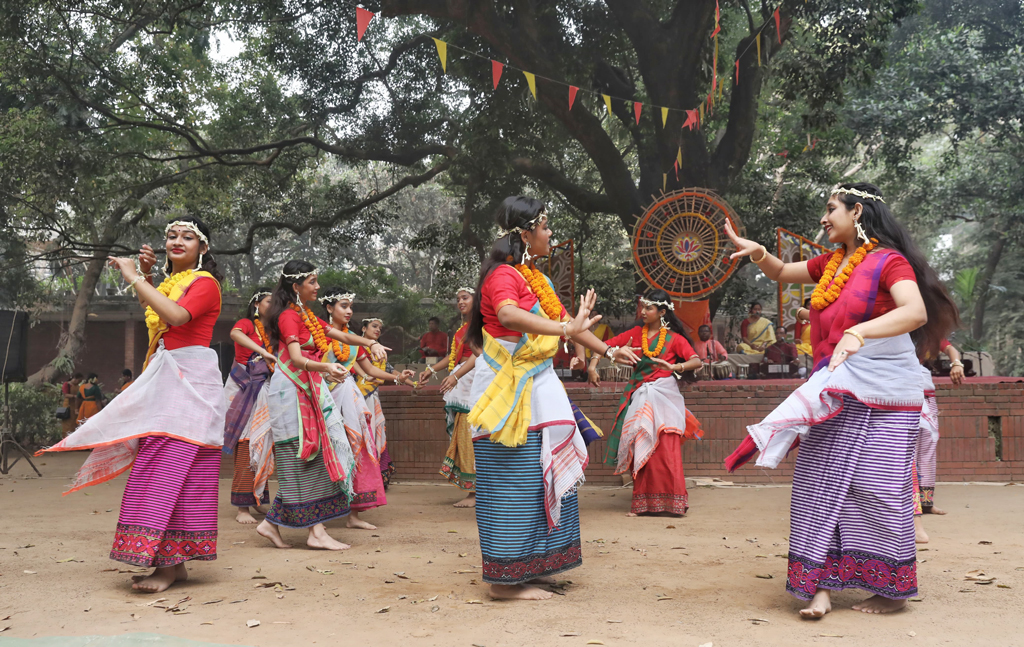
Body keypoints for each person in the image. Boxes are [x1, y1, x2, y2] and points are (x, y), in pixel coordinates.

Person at [723, 182, 959, 617]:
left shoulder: (889, 262)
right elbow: (780, 272)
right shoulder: (831, 264)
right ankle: (820, 586)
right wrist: (757, 251)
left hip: (888, 395)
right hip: (837, 387)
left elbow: (915, 313)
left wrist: (858, 332)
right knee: (818, 484)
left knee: (877, 489)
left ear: (857, 213)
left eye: (831, 209)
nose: (823, 218)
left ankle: (892, 590)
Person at [465, 196, 639, 601]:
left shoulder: (530, 276)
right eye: (545, 227)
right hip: (507, 391)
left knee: (535, 479)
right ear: (525, 233)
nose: (550, 234)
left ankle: (530, 568)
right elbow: (509, 316)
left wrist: (608, 352)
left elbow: (569, 326)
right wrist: (563, 329)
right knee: (513, 483)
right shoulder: (503, 275)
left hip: (535, 388)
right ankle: (503, 583)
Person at [41, 216, 227, 593]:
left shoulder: (205, 283)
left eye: (187, 237)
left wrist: (134, 276)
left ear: (202, 248)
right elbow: (159, 307)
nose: (177, 241)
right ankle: (173, 562)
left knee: (168, 469)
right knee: (162, 467)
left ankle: (169, 564)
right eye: (171, 235)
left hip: (189, 381)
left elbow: (175, 317)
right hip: (170, 377)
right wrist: (147, 274)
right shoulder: (173, 283)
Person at [255, 261, 392, 552]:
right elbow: (294, 357)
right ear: (296, 287)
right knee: (305, 454)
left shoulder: (305, 315)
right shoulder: (289, 317)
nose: (318, 287)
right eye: (313, 282)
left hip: (307, 388)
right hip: (292, 390)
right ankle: (315, 532)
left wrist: (370, 344)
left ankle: (272, 523)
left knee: (311, 455)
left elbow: (341, 336)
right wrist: (326, 366)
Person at [591, 290, 703, 517]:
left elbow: (696, 361)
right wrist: (593, 365)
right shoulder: (634, 334)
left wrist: (675, 368)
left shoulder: (674, 339)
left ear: (662, 312)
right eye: (642, 306)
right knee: (641, 445)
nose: (642, 311)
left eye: (648, 308)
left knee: (666, 450)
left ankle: (674, 504)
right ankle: (642, 504)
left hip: (664, 398)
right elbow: (603, 346)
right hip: (641, 397)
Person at [319, 287, 391, 531]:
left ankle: (354, 514)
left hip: (347, 397)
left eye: (351, 306)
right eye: (343, 306)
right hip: (322, 398)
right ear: (329, 308)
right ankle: (318, 513)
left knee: (355, 448)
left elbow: (370, 370)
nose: (349, 311)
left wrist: (400, 378)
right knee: (324, 451)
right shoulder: (318, 334)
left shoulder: (352, 338)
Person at [419, 287, 479, 507]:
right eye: (458, 299)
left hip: (474, 383)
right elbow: (452, 357)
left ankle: (475, 491)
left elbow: (477, 353)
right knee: (463, 432)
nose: (460, 302)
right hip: (462, 381)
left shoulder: (482, 326)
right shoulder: (461, 330)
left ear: (476, 299)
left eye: (465, 298)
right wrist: (432, 370)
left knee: (470, 433)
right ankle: (473, 489)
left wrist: (456, 376)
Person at [224, 288, 277, 524]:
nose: (274, 304)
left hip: (265, 389)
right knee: (247, 443)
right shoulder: (246, 323)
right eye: (269, 301)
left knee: (262, 442)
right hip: (244, 387)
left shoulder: (273, 331)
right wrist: (263, 351)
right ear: (256, 303)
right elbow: (235, 334)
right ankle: (241, 508)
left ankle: (256, 500)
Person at [355, 317, 417, 491]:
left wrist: (413, 384)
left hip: (372, 398)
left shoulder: (380, 351)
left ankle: (375, 479)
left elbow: (389, 372)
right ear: (363, 328)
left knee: (375, 436)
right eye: (374, 326)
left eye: (380, 328)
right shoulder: (356, 349)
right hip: (356, 398)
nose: (377, 330)